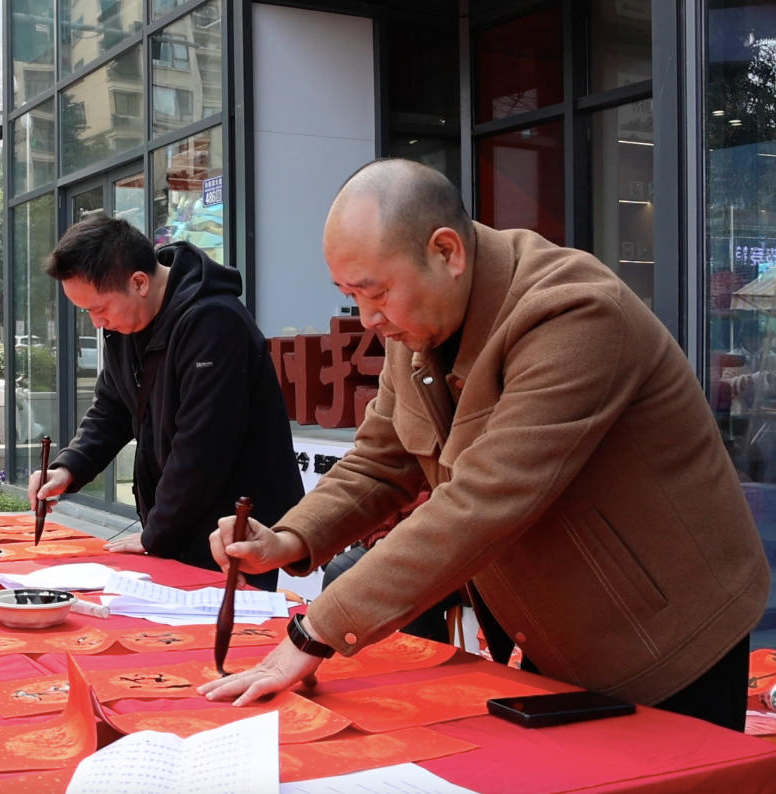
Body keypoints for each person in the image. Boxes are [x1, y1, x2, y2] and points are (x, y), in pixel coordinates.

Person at [200, 158, 768, 732]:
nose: (369, 318)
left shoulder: (573, 312)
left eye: (376, 293)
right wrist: (290, 537)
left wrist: (316, 631)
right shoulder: (417, 324)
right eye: (350, 294)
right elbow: (379, 460)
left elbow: (484, 498)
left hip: (668, 635)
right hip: (556, 631)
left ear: (446, 252)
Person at [27, 215, 304, 586]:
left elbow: (202, 448)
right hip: (178, 523)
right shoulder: (126, 325)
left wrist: (154, 533)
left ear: (139, 282)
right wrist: (68, 469)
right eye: (87, 312)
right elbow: (111, 409)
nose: (96, 322)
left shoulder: (215, 323)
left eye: (99, 308)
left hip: (232, 532)